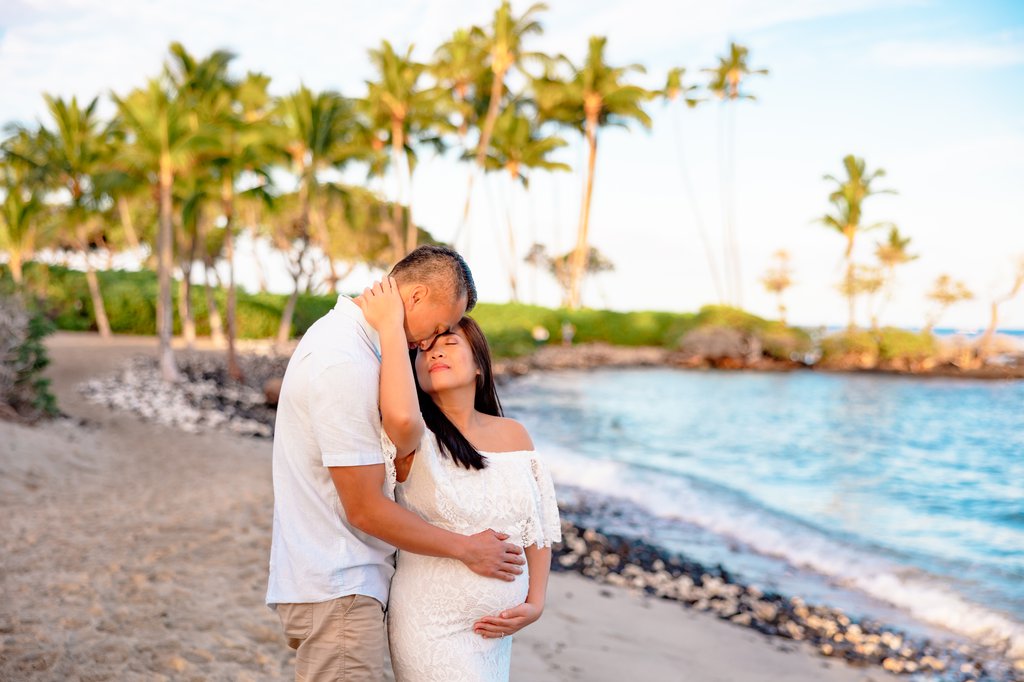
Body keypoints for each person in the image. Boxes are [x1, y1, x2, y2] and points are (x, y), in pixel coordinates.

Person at [266, 246, 526, 682]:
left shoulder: (360, 351)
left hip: (345, 586)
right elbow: (365, 508)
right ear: (417, 295)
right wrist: (468, 549)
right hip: (339, 585)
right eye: (439, 326)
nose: (429, 342)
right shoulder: (343, 361)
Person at [357, 276, 561, 682]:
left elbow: (536, 528)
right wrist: (392, 329)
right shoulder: (413, 434)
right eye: (425, 350)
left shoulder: (514, 434)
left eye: (448, 344)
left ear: (480, 366)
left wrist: (535, 602)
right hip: (431, 627)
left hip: (495, 635)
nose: (434, 354)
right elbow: (399, 412)